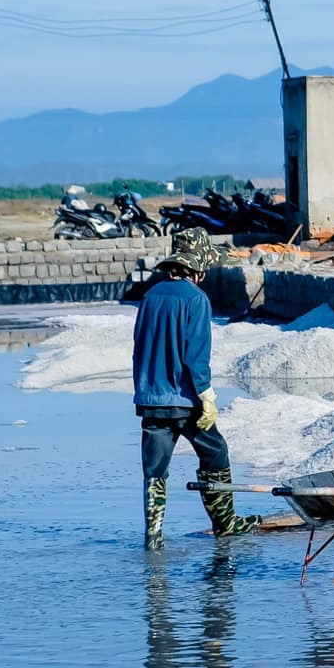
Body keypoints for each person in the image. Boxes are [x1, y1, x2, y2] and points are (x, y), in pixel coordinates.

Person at [134, 227, 257, 543]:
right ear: (198, 267)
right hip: (185, 400)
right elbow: (195, 355)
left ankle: (154, 535)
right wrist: (207, 396)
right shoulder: (196, 300)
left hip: (150, 399)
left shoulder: (149, 297)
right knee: (215, 452)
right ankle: (225, 522)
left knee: (155, 472)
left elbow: (140, 344)